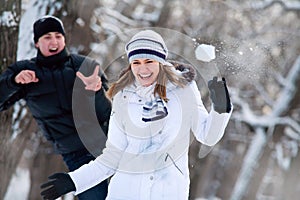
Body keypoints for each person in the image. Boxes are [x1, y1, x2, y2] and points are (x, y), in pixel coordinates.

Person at [40, 30, 233, 200]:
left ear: (161, 62)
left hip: (167, 193)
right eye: (137, 62)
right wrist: (74, 181)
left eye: (149, 61)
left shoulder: (183, 90)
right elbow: (112, 157)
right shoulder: (123, 97)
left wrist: (220, 109)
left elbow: (207, 136)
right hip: (124, 193)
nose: (143, 69)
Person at [0, 15, 111, 200]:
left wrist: (97, 91)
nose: (54, 41)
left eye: (58, 36)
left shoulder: (85, 65)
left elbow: (109, 112)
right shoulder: (26, 71)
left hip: (108, 145)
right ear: (36, 43)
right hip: (76, 155)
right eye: (47, 37)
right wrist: (13, 82)